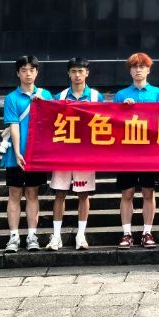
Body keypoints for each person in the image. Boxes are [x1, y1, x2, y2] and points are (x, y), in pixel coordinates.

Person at [112, 52, 159, 248]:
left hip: (149, 151)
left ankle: (147, 232)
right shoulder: (121, 95)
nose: (138, 70)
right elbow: (112, 123)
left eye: (142, 67)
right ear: (130, 71)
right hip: (127, 152)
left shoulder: (158, 94)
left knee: (148, 192)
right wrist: (122, 109)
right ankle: (126, 233)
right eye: (134, 67)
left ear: (148, 70)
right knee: (127, 193)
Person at [48, 57, 100, 251]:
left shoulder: (95, 96)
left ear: (87, 73)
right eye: (74, 71)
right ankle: (56, 236)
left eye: (81, 71)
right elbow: (50, 121)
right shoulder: (60, 96)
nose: (77, 75)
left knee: (83, 194)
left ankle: (81, 235)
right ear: (68, 74)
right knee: (60, 193)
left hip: (85, 153)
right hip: (63, 152)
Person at [0, 55, 51, 252]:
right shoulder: (12, 98)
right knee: (14, 193)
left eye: (31, 70)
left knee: (32, 193)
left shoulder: (46, 95)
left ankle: (32, 236)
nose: (28, 74)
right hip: (16, 154)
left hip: (37, 154)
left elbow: (53, 121)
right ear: (18, 73)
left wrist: (43, 104)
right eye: (24, 70)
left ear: (37, 72)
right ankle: (13, 236)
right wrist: (17, 151)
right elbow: (14, 125)